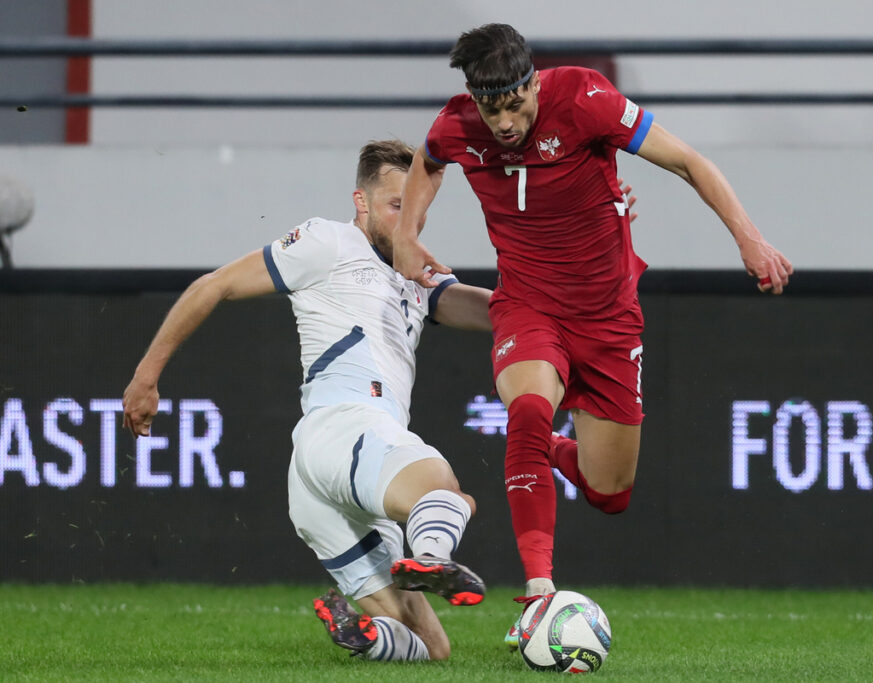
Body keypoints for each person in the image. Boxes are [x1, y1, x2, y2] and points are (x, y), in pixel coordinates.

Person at [390, 23, 794, 643]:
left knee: (610, 492)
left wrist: (749, 237)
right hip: (527, 304)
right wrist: (407, 234)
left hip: (608, 318)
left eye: (514, 104)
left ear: (531, 82)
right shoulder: (458, 124)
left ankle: (544, 452)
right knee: (527, 408)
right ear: (475, 98)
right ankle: (538, 595)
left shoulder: (584, 99)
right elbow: (428, 161)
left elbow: (688, 161)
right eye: (489, 108)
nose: (502, 122)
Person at [121, 139, 495, 662]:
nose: (411, 218)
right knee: (446, 491)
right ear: (361, 202)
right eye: (396, 205)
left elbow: (485, 310)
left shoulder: (413, 271)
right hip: (345, 428)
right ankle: (431, 555)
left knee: (433, 651)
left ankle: (371, 634)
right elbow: (216, 284)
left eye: (418, 208)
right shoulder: (329, 241)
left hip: (323, 482)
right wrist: (146, 375)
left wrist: (546, 307)